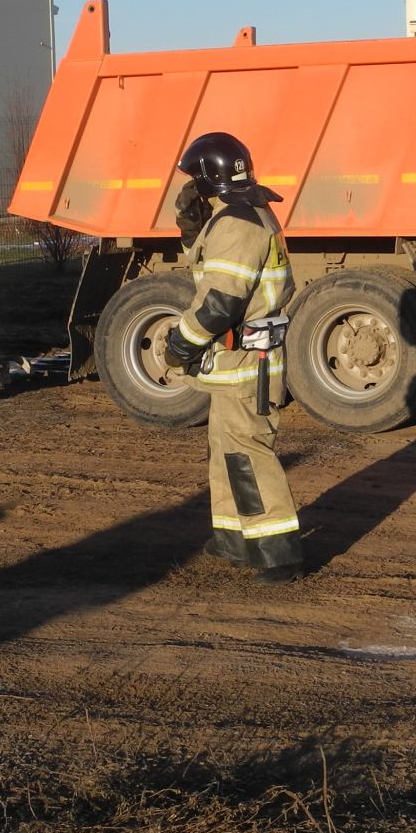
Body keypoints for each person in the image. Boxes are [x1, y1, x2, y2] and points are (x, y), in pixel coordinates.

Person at [162, 131, 305, 583]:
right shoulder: (245, 216)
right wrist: (191, 230)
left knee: (246, 452)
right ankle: (232, 536)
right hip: (240, 366)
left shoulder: (238, 224)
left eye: (194, 181)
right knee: (225, 451)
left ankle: (277, 553)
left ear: (209, 181)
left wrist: (179, 345)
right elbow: (215, 267)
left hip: (247, 366)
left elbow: (219, 302)